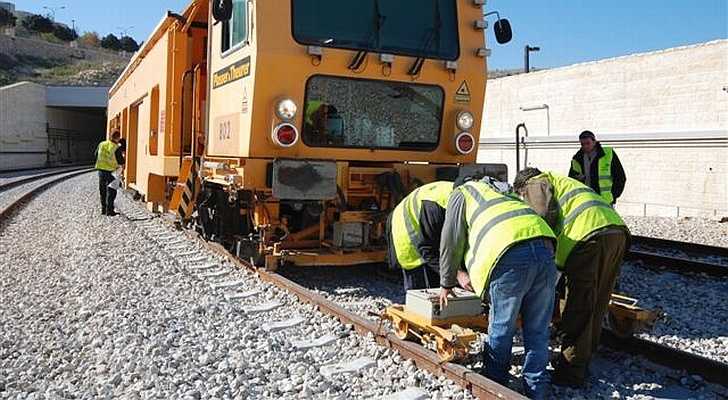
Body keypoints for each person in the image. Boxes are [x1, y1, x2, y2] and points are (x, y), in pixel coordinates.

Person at [438, 175, 557, 399]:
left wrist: (446, 282)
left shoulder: (461, 193)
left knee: (502, 325)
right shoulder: (503, 192)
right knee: (538, 328)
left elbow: (451, 239)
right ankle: (537, 388)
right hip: (545, 248)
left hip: (510, 255)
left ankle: (495, 384)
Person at [513, 168, 630, 388]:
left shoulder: (535, 183)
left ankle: (571, 373)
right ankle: (582, 359)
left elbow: (541, 218)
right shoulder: (560, 181)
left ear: (522, 186)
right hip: (616, 233)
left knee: (578, 306)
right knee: (596, 304)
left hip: (587, 239)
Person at [389, 181, 468, 291]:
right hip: (409, 236)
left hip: (428, 229)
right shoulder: (435, 209)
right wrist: (457, 274)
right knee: (424, 296)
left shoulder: (465, 203)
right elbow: (427, 250)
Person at [568, 130, 626, 205]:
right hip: (586, 200)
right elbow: (571, 181)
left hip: (605, 200)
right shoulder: (577, 159)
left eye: (588, 143)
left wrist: (613, 196)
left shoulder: (608, 154)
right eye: (582, 144)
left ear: (594, 142)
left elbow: (620, 177)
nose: (585, 146)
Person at [95, 130, 121, 216]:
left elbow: (95, 154)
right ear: (117, 138)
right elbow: (120, 160)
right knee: (111, 191)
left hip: (101, 171)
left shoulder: (101, 144)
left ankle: (103, 209)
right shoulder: (116, 147)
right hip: (112, 172)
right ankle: (109, 211)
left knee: (102, 191)